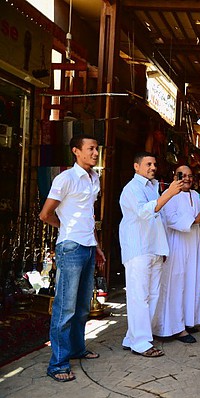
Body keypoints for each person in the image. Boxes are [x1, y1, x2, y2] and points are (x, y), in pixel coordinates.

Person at [40, 134, 106, 382]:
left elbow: (89, 216)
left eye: (97, 149)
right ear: (76, 151)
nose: (95, 153)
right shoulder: (65, 178)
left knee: (81, 306)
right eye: (91, 148)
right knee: (64, 308)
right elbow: (45, 214)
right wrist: (66, 229)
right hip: (70, 247)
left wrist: (96, 245)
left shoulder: (94, 178)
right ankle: (57, 364)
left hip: (88, 246)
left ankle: (77, 349)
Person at [119, 151, 183, 357]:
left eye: (154, 164)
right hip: (138, 248)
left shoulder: (154, 187)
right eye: (148, 164)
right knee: (139, 296)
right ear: (136, 167)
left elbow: (161, 219)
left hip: (155, 248)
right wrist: (169, 194)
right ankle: (141, 342)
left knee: (153, 295)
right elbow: (144, 212)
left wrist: (163, 248)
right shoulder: (131, 189)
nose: (153, 168)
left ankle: (133, 337)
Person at [153, 165, 200, 343]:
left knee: (191, 281)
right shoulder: (169, 195)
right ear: (175, 176)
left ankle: (188, 321)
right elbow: (170, 219)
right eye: (182, 175)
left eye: (190, 176)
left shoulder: (196, 196)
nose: (187, 178)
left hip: (193, 244)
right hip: (176, 244)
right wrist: (195, 219)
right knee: (175, 284)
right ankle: (174, 328)